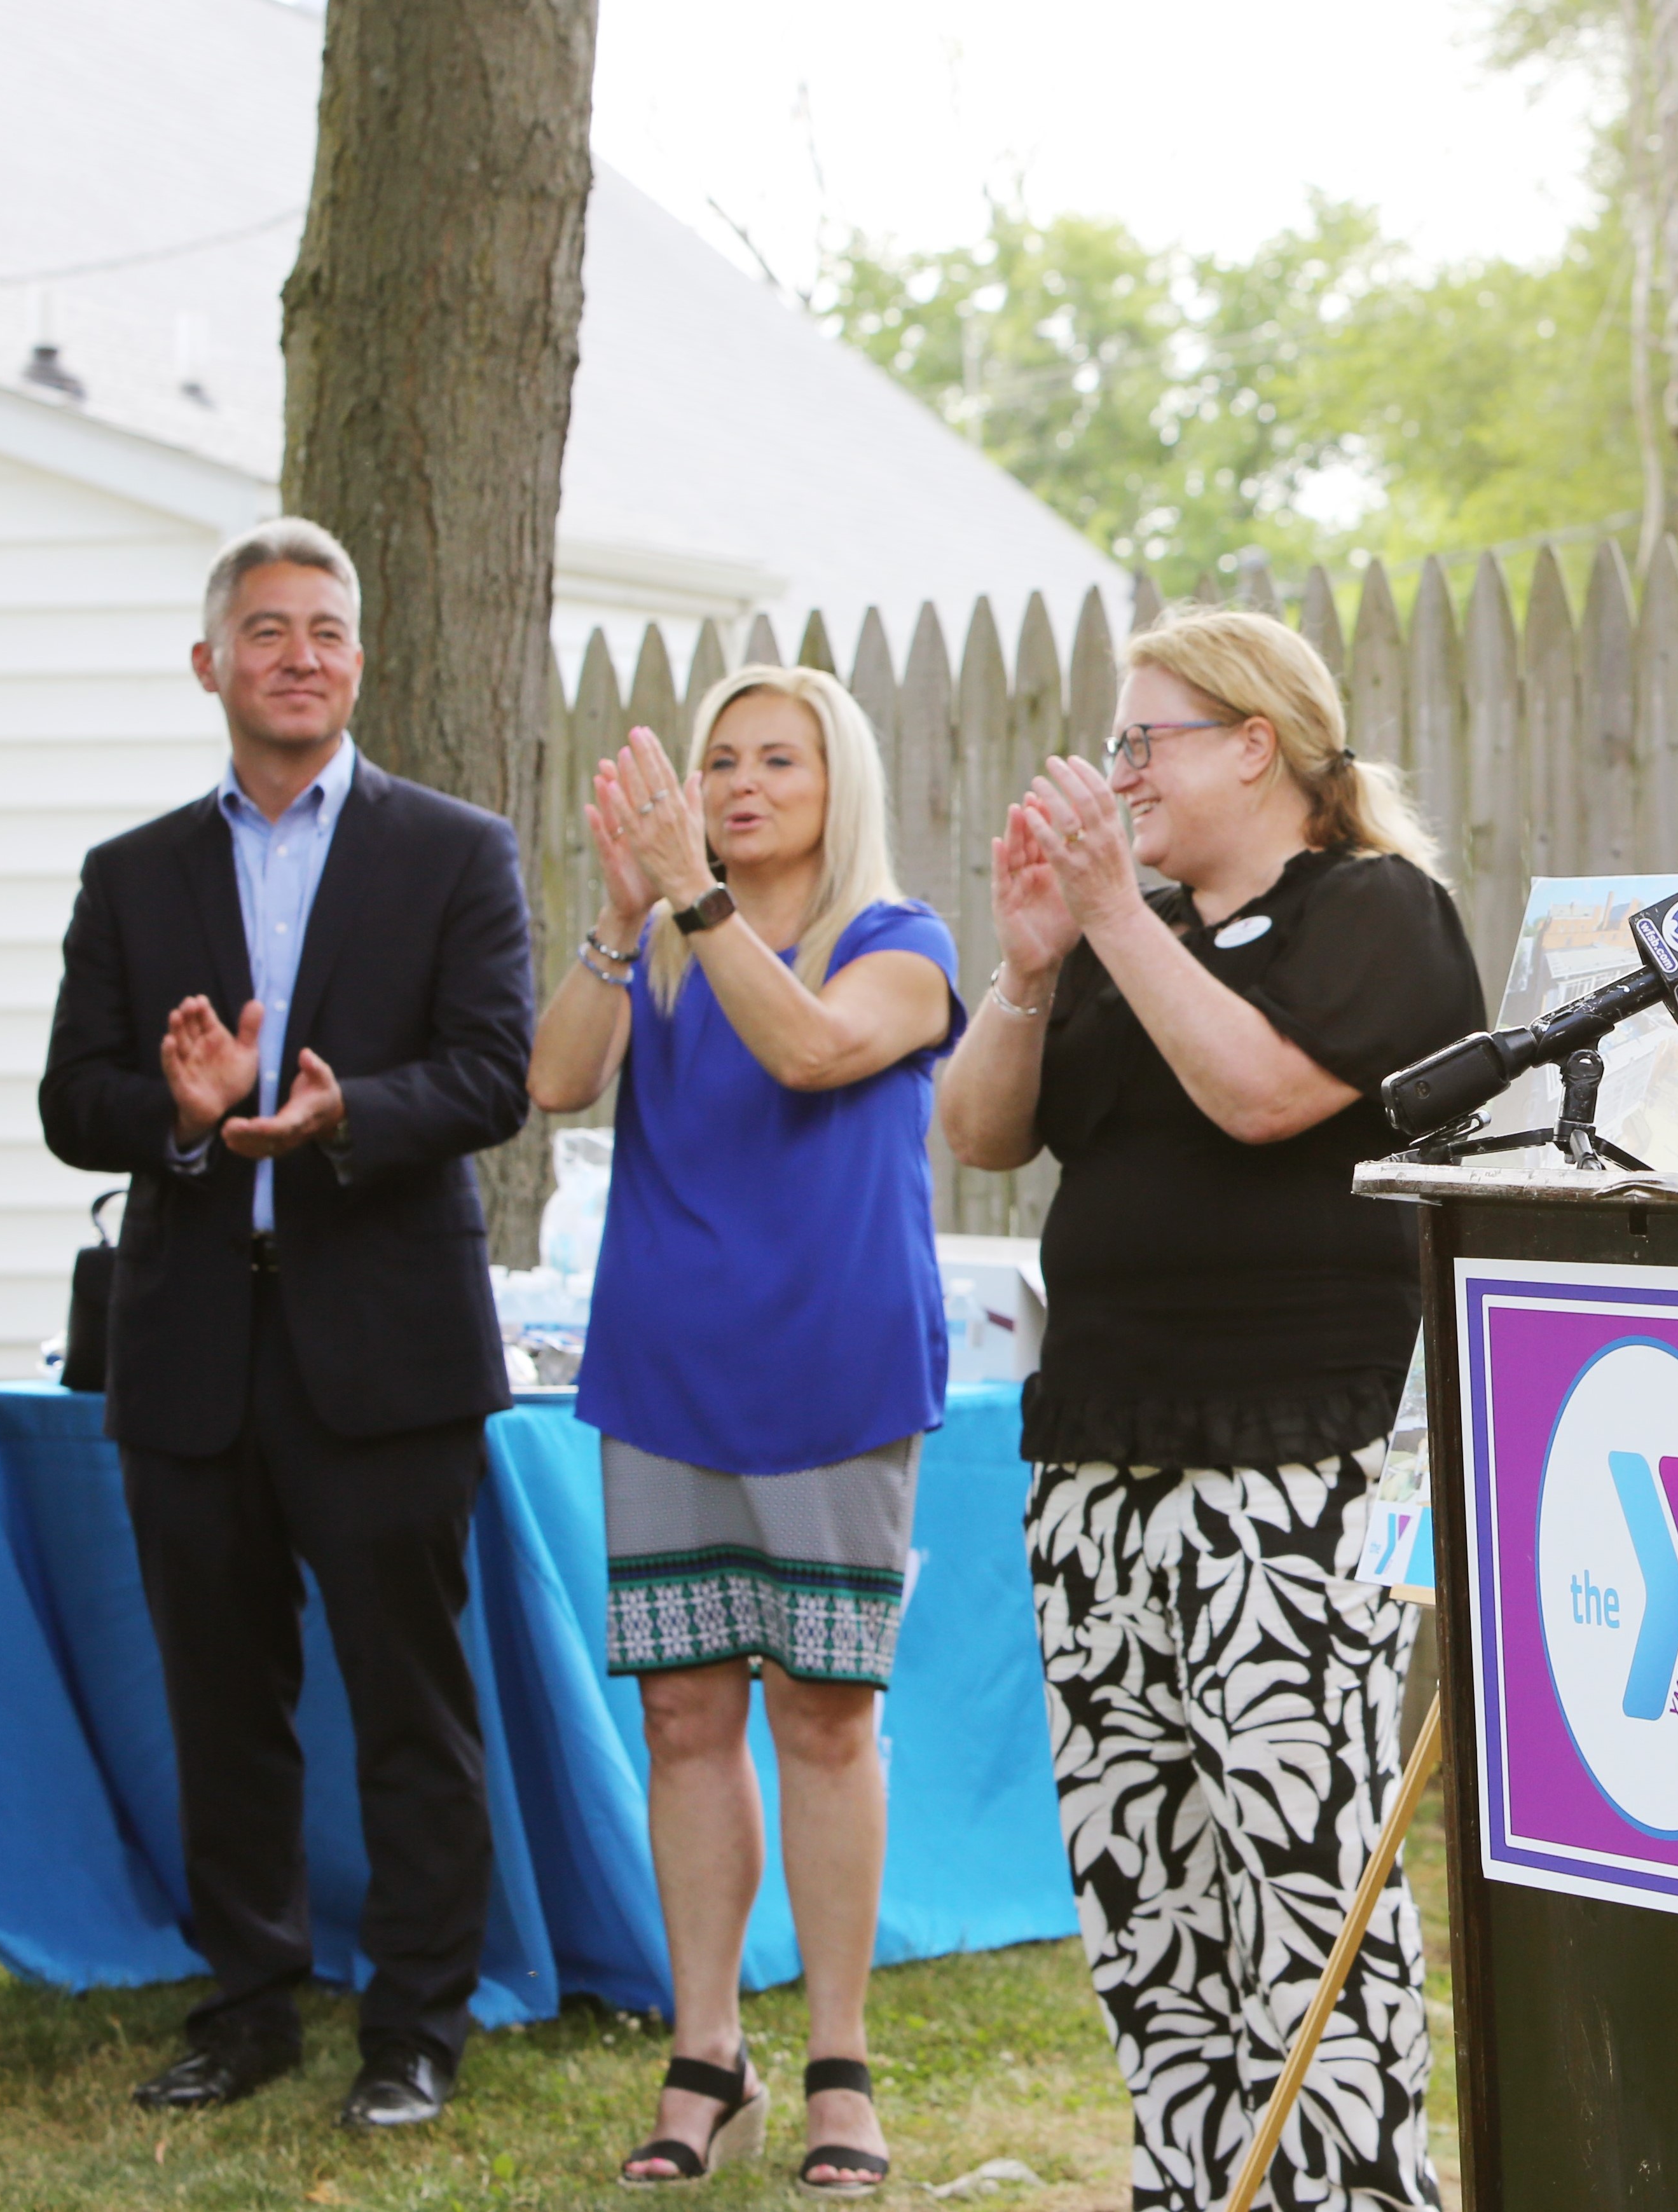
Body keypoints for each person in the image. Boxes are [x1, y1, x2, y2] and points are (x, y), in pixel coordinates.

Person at [939, 605, 1483, 2212]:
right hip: (1099, 1461)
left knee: (1302, 1883)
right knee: (1147, 1886)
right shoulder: (1130, 938)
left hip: (1296, 1467)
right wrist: (1034, 967)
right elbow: (978, 1133)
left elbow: (1261, 1098)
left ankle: (1352, 2196)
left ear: (1257, 742)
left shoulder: (1377, 913)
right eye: (1115, 749)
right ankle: (1192, 2189)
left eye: (1144, 742)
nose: (1121, 777)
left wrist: (1114, 919)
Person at [37, 519, 534, 2129]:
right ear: (212, 665)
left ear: (361, 663)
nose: (300, 653)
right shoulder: (131, 876)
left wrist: (341, 1115)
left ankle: (415, 2030)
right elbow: (70, 1100)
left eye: (327, 628)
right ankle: (248, 2002)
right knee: (222, 1703)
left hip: (386, 1355)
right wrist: (183, 1120)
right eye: (267, 630)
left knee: (410, 1705)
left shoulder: (456, 850)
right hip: (191, 1357)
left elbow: (492, 1072)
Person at [526, 668, 962, 2195]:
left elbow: (809, 1051)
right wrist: (614, 911)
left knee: (825, 1718)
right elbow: (554, 1080)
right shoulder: (651, 939)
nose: (745, 781)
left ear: (841, 784)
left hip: (834, 1373)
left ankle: (839, 2062)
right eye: (720, 761)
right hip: (665, 1369)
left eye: (781, 758)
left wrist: (693, 902)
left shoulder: (900, 947)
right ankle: (705, 2049)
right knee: (684, 1718)